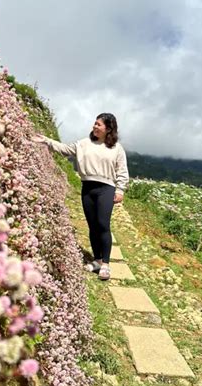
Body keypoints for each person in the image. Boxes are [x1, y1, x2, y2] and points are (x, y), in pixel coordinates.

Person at [32, 113, 129, 281]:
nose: (95, 126)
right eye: (95, 123)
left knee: (103, 225)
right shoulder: (83, 144)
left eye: (99, 124)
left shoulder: (116, 148)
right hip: (88, 188)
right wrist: (47, 141)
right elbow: (65, 149)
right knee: (92, 225)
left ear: (108, 128)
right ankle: (97, 260)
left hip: (106, 188)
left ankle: (106, 264)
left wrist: (120, 190)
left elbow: (122, 171)